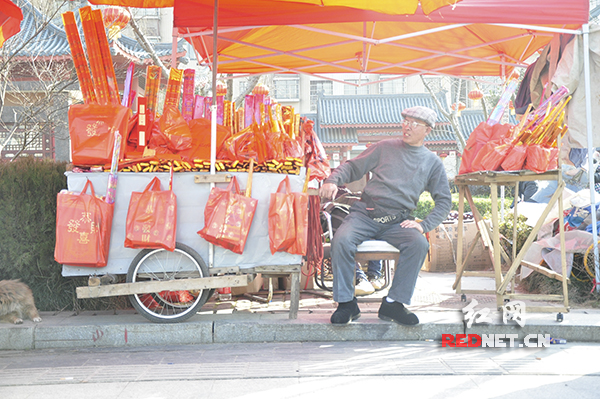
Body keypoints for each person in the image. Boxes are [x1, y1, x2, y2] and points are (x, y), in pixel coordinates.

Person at [319, 106, 452, 326]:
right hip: (365, 213)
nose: (407, 126)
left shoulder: (432, 162)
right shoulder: (384, 147)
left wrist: (424, 225)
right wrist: (332, 180)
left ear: (427, 130)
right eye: (405, 120)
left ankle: (393, 304)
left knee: (418, 244)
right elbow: (353, 167)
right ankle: (346, 303)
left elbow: (444, 200)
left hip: (397, 221)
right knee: (342, 240)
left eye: (414, 123)